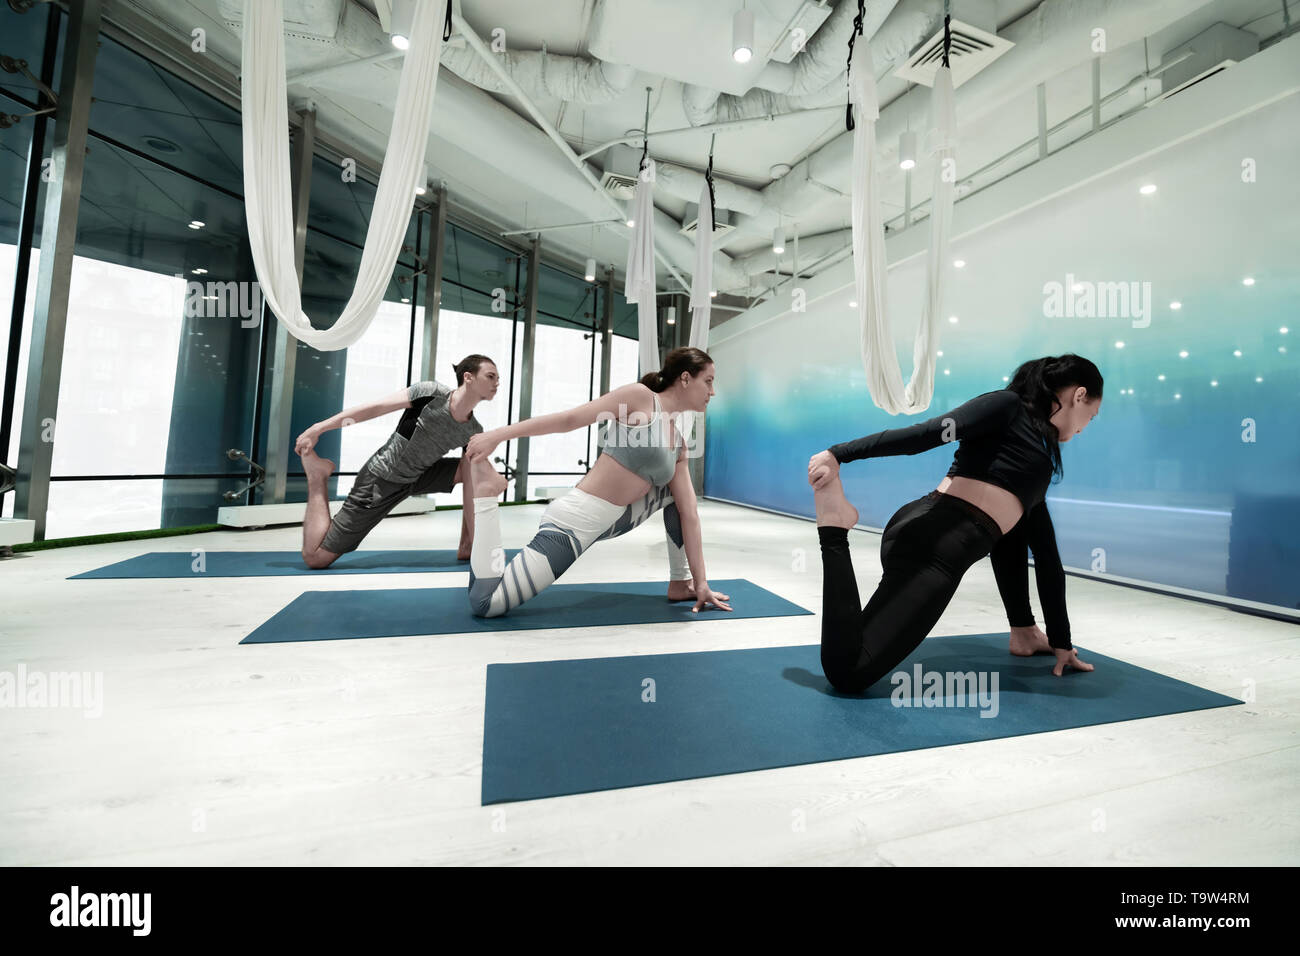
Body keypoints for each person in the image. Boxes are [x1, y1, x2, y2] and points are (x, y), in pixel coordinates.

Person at [807, 354, 1103, 692]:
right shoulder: (1007, 406)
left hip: (935, 536)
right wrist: (839, 454)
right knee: (848, 673)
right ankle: (834, 527)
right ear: (1079, 396)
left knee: (1009, 533)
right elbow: (927, 433)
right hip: (936, 545)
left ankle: (1024, 633)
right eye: (1091, 416)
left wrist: (1060, 641)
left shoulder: (1036, 460)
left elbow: (1039, 553)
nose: (1084, 427)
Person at [462, 346, 732, 617]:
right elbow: (569, 420)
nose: (712, 391)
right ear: (685, 379)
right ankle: (486, 492)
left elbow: (690, 515)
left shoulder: (679, 445)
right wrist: (497, 435)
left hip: (615, 520)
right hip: (574, 523)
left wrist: (702, 583)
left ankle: (680, 582)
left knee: (678, 497)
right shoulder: (640, 398)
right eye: (708, 381)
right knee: (486, 603)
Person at [296, 354, 499, 569]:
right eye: (490, 376)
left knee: (478, 468)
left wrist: (478, 544)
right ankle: (317, 475)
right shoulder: (431, 393)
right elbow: (375, 408)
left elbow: (471, 486)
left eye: (498, 378)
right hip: (382, 478)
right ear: (468, 377)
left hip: (420, 475)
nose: (496, 383)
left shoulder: (473, 431)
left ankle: (467, 544)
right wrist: (319, 428)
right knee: (316, 558)